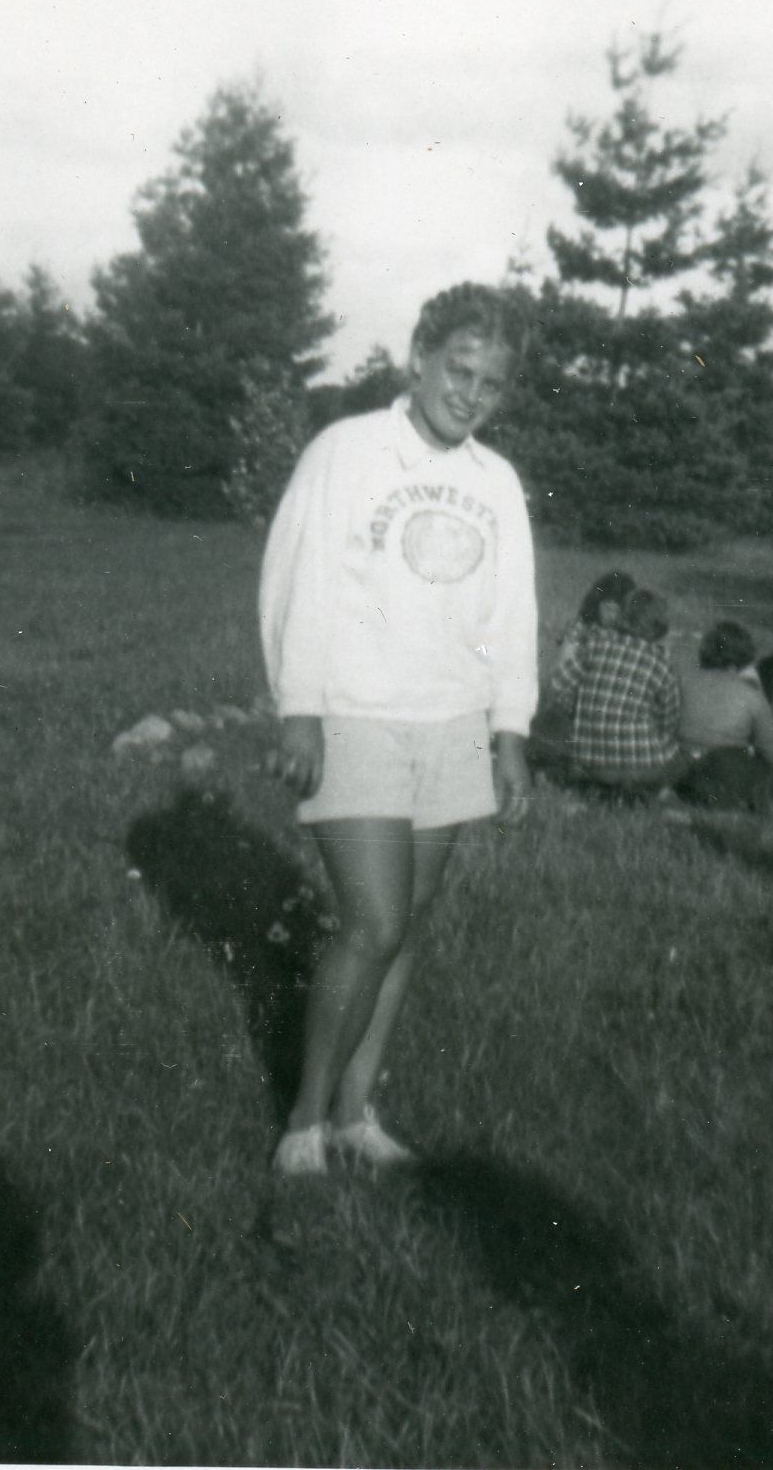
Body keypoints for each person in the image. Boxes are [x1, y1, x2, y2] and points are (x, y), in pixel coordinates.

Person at [258, 283, 537, 1178]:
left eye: (489, 383)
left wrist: (509, 732)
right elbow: (296, 582)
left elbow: (512, 616)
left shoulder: (495, 482)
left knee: (408, 925)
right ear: (418, 356)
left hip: (450, 722)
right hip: (356, 714)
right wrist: (299, 708)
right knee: (372, 922)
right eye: (457, 370)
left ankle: (355, 1114)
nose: (469, 394)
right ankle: (303, 1124)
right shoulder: (346, 451)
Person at [551, 586, 685, 794]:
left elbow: (558, 682)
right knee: (681, 761)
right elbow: (670, 722)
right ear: (660, 627)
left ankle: (604, 788)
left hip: (590, 764)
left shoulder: (595, 646)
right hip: (639, 767)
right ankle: (650, 791)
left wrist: (579, 707)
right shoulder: (661, 664)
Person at [674, 621, 773, 811]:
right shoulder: (751, 695)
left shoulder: (683, 681)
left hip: (680, 767)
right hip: (726, 772)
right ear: (744, 656)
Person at [532, 570, 636, 774]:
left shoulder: (626, 634)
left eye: (619, 611)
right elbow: (559, 675)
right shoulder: (581, 629)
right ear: (596, 604)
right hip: (573, 705)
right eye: (608, 608)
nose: (613, 616)